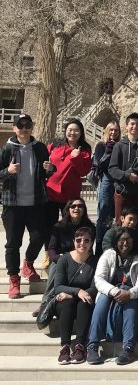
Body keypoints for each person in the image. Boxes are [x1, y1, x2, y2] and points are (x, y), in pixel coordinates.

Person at [0, 113, 53, 298]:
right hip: (12, 205)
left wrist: (50, 169)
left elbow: (47, 172)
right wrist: (8, 171)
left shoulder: (40, 148)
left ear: (32, 127)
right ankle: (14, 279)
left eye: (27, 125)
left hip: (35, 203)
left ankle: (28, 263)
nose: (24, 129)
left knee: (39, 237)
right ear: (14, 128)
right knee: (13, 243)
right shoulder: (6, 149)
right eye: (20, 125)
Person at [87, 227, 138, 365]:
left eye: (128, 240)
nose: (125, 243)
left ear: (134, 241)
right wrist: (115, 291)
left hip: (133, 295)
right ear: (116, 242)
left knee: (130, 299)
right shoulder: (108, 255)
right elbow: (99, 279)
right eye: (122, 240)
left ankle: (128, 348)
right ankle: (92, 346)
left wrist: (129, 293)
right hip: (111, 293)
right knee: (102, 298)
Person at [45, 118, 93, 252]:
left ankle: (71, 253)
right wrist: (47, 168)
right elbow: (45, 164)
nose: (73, 133)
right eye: (70, 130)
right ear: (65, 131)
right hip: (51, 192)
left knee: (70, 225)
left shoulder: (85, 149)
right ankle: (49, 253)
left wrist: (76, 157)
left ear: (81, 132)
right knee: (49, 225)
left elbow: (83, 171)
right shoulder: (54, 145)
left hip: (70, 195)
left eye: (76, 130)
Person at [54, 226, 97, 364]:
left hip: (85, 300)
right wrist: (77, 292)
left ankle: (80, 346)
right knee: (68, 304)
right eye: (78, 240)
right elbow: (58, 287)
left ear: (91, 243)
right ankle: (65, 347)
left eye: (86, 240)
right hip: (65, 301)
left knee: (83, 303)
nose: (82, 243)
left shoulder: (95, 261)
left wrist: (74, 294)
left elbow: (95, 287)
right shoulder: (64, 259)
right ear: (73, 241)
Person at [108, 112, 138, 222]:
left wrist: (132, 171)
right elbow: (112, 169)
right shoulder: (119, 146)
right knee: (120, 223)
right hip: (122, 191)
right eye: (132, 124)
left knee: (137, 224)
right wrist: (128, 175)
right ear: (127, 126)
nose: (135, 126)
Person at [93, 121, 121, 257]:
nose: (113, 132)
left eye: (116, 130)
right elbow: (99, 164)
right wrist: (108, 151)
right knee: (104, 214)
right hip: (106, 180)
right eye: (111, 130)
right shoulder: (101, 145)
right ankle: (99, 249)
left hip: (118, 182)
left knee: (116, 215)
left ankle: (113, 248)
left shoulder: (121, 145)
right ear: (107, 131)